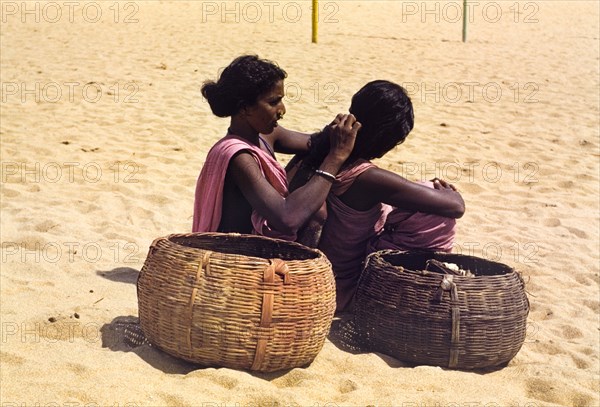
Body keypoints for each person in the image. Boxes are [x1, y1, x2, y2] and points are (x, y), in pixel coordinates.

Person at [286, 80, 465, 311]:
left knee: (394, 207)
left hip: (311, 274)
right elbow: (455, 208)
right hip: (341, 289)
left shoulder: (320, 151)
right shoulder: (366, 177)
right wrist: (454, 194)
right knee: (433, 206)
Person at [192, 55, 360, 243]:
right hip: (238, 259)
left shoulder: (266, 136)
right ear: (245, 108)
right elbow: (287, 218)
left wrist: (337, 130)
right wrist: (335, 158)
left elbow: (315, 143)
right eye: (273, 102)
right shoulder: (240, 158)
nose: (282, 110)